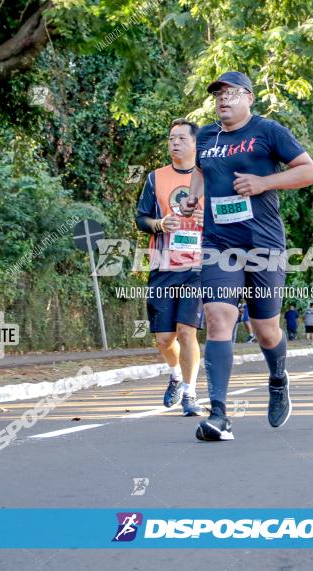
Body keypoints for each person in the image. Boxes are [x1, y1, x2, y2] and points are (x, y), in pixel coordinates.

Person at [181, 71, 313, 441]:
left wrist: (263, 183)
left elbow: (311, 172)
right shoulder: (207, 136)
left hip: (264, 245)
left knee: (265, 330)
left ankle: (277, 378)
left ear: (248, 98)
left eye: (230, 94)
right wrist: (193, 196)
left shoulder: (268, 131)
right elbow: (199, 170)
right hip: (219, 243)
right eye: (218, 95)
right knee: (217, 318)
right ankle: (219, 415)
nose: (222, 100)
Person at [135, 118, 205, 416]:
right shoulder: (156, 177)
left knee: (187, 331)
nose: (174, 143)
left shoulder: (211, 179)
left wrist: (210, 223)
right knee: (165, 338)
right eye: (171, 138)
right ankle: (175, 374)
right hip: (163, 265)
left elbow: (232, 218)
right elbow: (141, 219)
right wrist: (161, 223)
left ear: (195, 144)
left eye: (181, 138)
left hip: (200, 266)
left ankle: (190, 394)